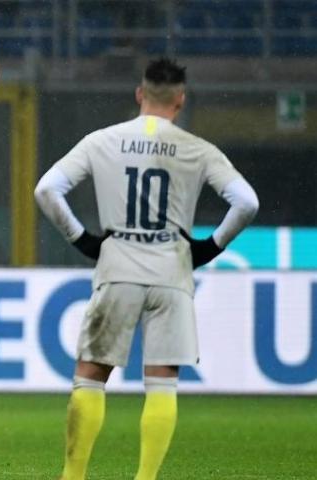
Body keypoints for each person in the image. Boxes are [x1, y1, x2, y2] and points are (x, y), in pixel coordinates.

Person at [34, 58, 259, 480]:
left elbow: (47, 189)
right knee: (162, 381)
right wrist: (210, 246)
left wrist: (82, 238)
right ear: (181, 99)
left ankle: (73, 476)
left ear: (140, 94)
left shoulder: (103, 140)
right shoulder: (198, 149)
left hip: (118, 262)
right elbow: (247, 202)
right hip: (172, 270)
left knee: (91, 375)